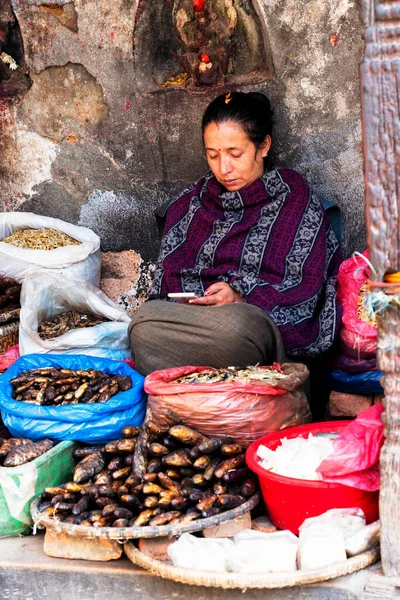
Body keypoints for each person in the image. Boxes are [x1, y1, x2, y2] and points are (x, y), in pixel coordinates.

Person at [129, 91, 342, 375]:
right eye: (213, 155)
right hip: (190, 321)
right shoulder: (191, 204)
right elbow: (166, 286)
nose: (223, 169)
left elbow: (305, 288)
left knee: (238, 328)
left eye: (235, 154)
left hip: (250, 327)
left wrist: (241, 295)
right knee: (142, 324)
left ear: (263, 145)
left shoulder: (294, 201)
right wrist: (193, 299)